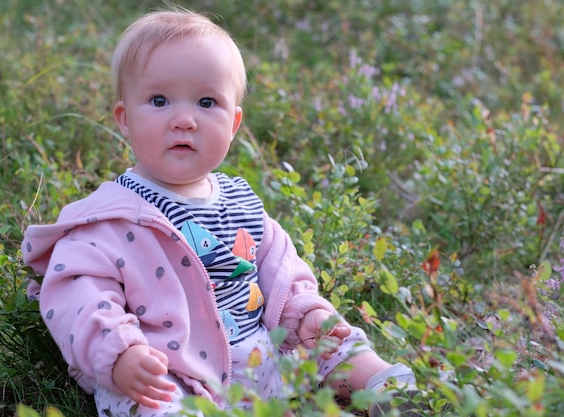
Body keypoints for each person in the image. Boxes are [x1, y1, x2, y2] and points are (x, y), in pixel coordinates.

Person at [22, 9, 423, 417]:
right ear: (125, 120)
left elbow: (280, 268)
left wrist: (307, 312)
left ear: (233, 124)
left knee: (329, 339)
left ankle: (381, 385)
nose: (184, 120)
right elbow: (77, 292)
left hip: (262, 358)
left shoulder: (241, 202)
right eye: (159, 100)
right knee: (148, 401)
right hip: (173, 371)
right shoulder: (112, 218)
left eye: (206, 102)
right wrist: (120, 353)